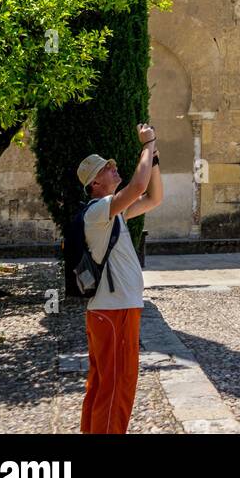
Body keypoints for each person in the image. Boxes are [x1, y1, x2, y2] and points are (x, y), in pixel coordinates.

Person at [78, 123, 163, 435]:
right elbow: (139, 188)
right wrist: (147, 142)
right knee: (118, 388)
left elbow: (154, 197)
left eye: (111, 165)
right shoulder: (99, 211)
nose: (114, 168)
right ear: (95, 184)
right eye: (107, 168)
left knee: (102, 385)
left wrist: (153, 158)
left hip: (113, 310)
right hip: (115, 312)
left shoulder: (112, 214)